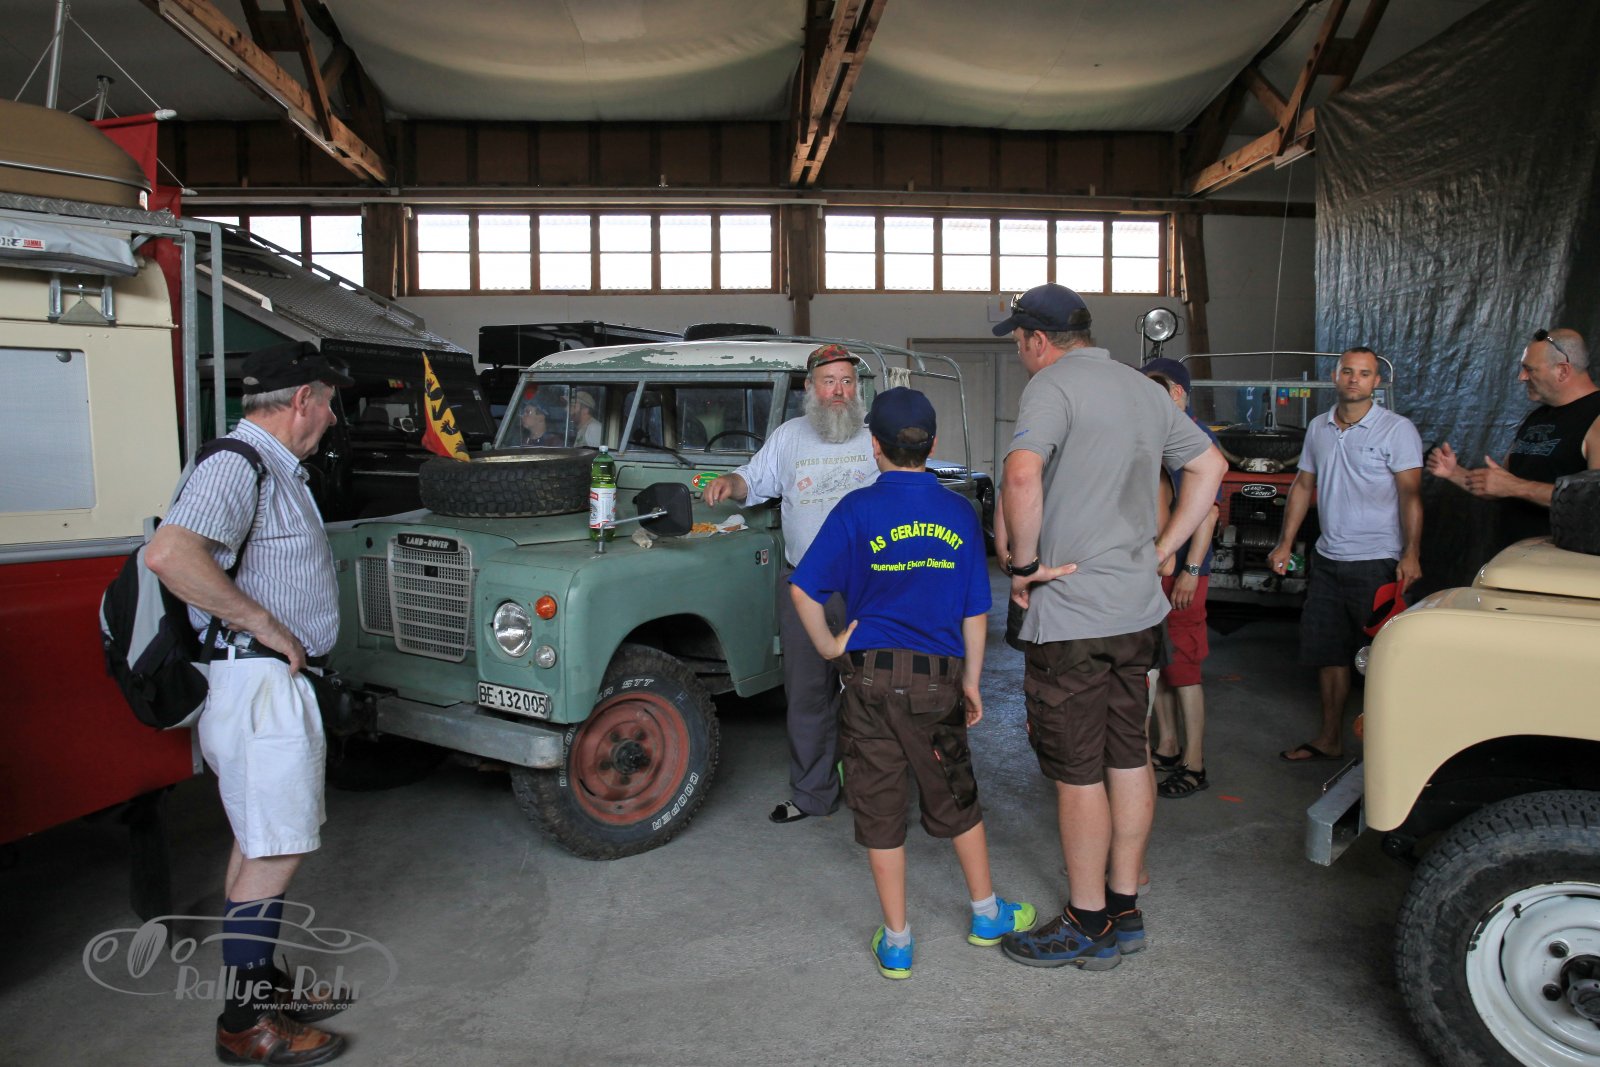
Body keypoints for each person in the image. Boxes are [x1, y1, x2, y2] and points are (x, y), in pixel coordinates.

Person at [992, 284, 1226, 972]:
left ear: (1038, 340)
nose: (1021, 353)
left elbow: (1022, 475)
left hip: (1074, 615)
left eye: (1019, 342)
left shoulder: (1051, 386)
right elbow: (1210, 465)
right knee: (1128, 755)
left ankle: (1085, 919)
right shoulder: (1142, 389)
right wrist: (1164, 548)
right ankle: (1123, 908)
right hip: (1137, 612)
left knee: (1076, 771)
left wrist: (1025, 566)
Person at [146, 341, 354, 1065]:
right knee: (276, 847)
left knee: (256, 838)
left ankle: (263, 987)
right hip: (259, 685)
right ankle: (245, 1023)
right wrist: (265, 623)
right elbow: (171, 554)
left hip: (265, 686)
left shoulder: (272, 466)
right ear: (302, 400)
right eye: (329, 402)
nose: (333, 416)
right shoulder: (239, 463)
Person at [789, 387, 1041, 978]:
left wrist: (828, 646)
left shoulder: (855, 509)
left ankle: (898, 941)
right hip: (937, 684)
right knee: (955, 791)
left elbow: (803, 586)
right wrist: (972, 681)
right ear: (933, 445)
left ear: (873, 446)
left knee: (879, 804)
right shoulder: (958, 512)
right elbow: (974, 609)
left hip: (869, 680)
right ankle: (986, 914)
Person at [702, 343, 878, 823]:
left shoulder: (874, 438)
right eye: (829, 381)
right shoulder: (789, 437)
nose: (839, 391)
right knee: (807, 695)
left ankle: (873, 793)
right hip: (806, 588)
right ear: (810, 387)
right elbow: (753, 478)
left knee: (873, 691)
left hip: (869, 586)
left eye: (847, 382)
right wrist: (731, 483)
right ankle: (813, 794)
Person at [1269, 346, 1423, 763]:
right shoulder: (1318, 427)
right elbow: (1303, 485)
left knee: (1383, 658)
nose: (1355, 379)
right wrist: (1285, 543)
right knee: (1329, 652)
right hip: (1328, 560)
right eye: (1348, 371)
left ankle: (1390, 756)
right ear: (1336, 377)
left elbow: (1411, 495)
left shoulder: (1397, 430)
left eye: (1365, 373)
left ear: (1377, 382)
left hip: (1377, 561)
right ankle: (1329, 739)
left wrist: (1411, 553)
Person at [1426, 328, 1600, 546]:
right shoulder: (1538, 417)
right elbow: (1502, 484)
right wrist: (1454, 472)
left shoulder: (1596, 418)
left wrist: (1516, 487)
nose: (1521, 377)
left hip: (1562, 562)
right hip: (1516, 557)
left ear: (1562, 371)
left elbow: (1594, 501)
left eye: (1529, 369)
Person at [1140, 358, 1221, 799]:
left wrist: (1191, 569)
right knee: (1163, 661)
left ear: (1178, 394)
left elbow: (1207, 512)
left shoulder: (1194, 439)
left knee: (1185, 668)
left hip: (1186, 572)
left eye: (1159, 391)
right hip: (1159, 570)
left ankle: (1195, 762)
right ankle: (1168, 745)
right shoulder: (1160, 437)